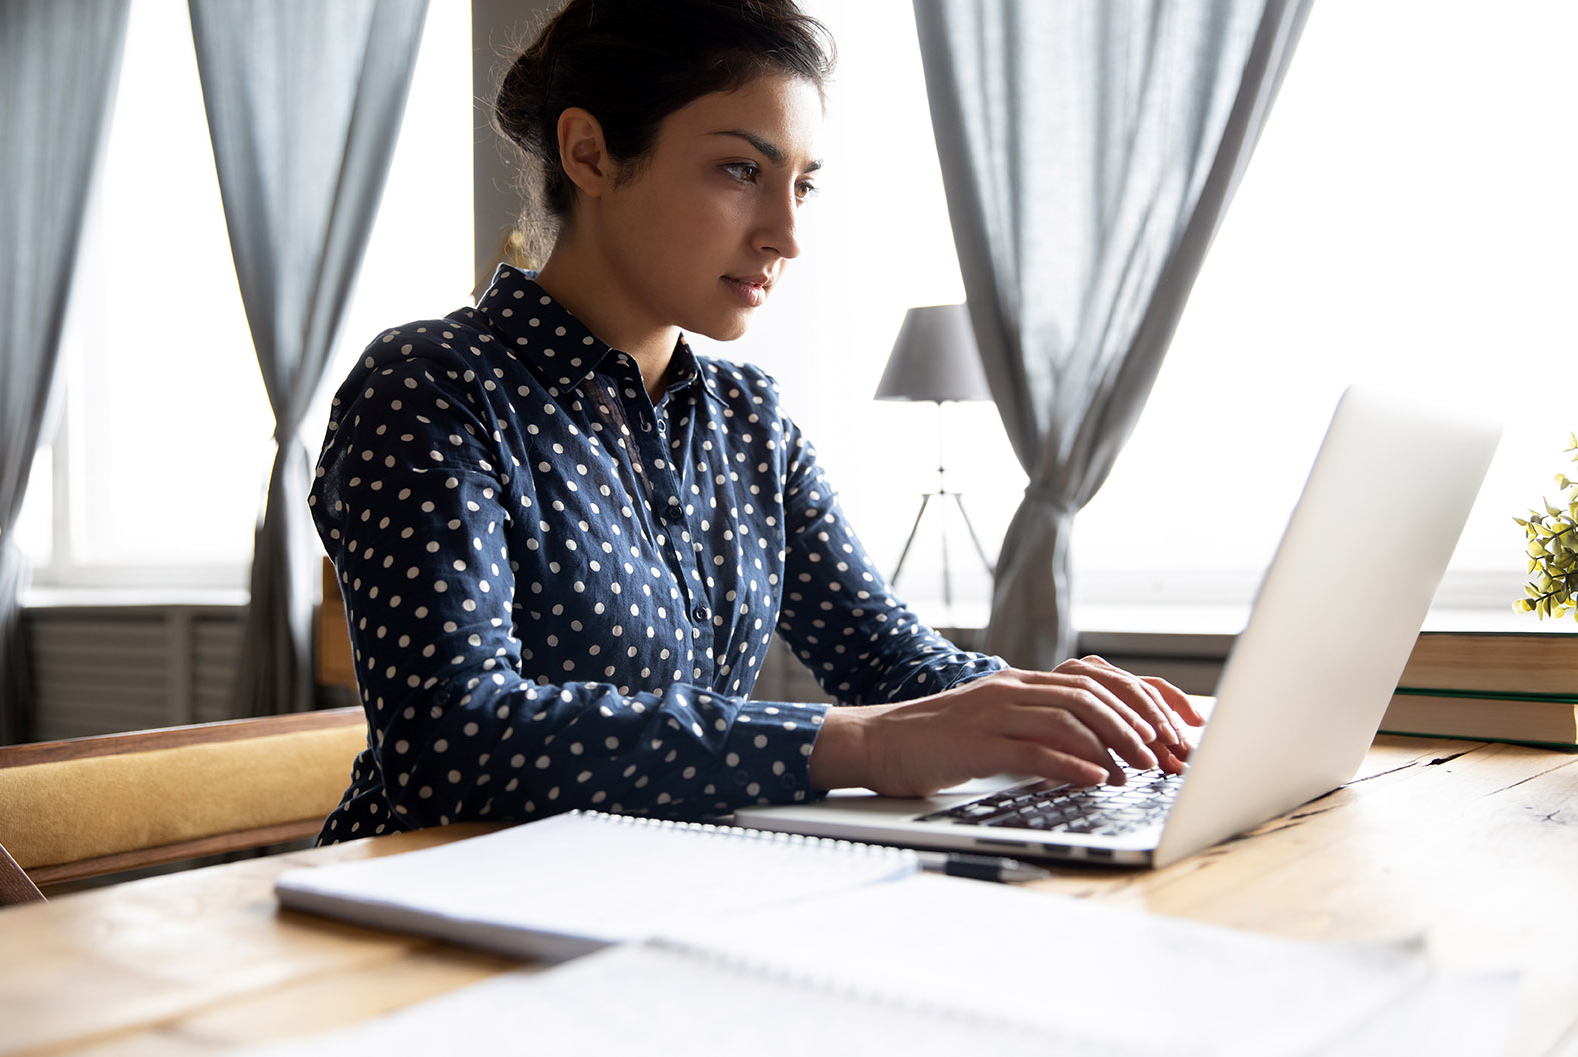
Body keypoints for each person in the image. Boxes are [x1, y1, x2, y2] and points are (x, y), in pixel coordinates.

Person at [308, 0, 1203, 844]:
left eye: (801, 186)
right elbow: (451, 743)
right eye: (741, 170)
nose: (786, 233)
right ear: (588, 153)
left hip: (653, 893)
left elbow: (892, 662)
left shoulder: (749, 419)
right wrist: (862, 743)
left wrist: (1073, 709)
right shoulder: (429, 387)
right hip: (414, 917)